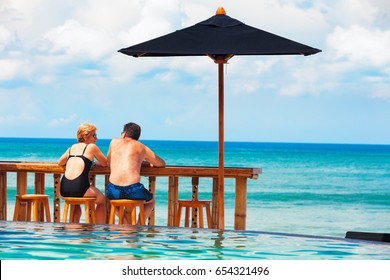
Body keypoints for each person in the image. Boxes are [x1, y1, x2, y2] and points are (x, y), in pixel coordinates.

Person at [106, 122, 166, 224]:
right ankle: (139, 225)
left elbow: (108, 162)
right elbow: (161, 163)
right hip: (133, 189)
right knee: (151, 201)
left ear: (124, 134)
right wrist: (143, 163)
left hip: (113, 189)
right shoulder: (141, 147)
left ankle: (125, 224)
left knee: (109, 200)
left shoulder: (114, 142)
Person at [58, 123, 107, 223]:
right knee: (102, 201)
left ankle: (74, 227)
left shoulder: (71, 148)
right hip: (80, 189)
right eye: (94, 135)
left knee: (76, 203)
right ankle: (99, 227)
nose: (96, 139)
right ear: (85, 136)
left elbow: (60, 162)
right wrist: (94, 163)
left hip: (64, 189)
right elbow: (105, 163)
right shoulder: (91, 147)